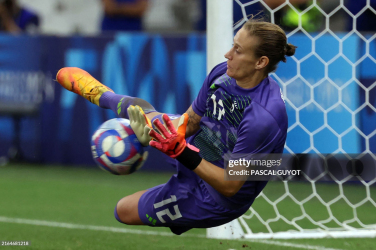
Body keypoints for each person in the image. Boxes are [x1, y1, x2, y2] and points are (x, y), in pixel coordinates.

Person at [56, 17, 296, 235]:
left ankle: (184, 212)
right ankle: (102, 95)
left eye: (238, 50)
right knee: (146, 114)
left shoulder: (263, 116)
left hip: (216, 198)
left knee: (123, 211)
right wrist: (151, 134)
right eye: (233, 44)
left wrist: (180, 151)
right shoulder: (223, 74)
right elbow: (190, 121)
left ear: (260, 62)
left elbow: (230, 185)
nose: (227, 54)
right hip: (199, 151)